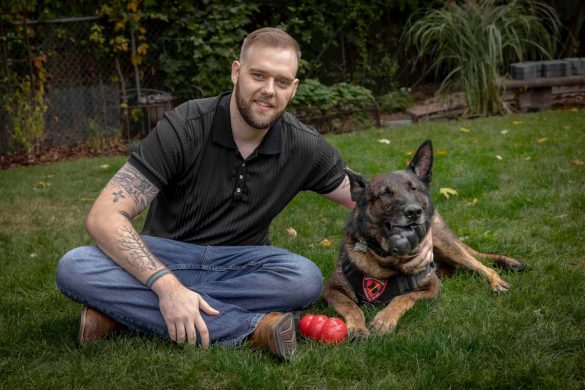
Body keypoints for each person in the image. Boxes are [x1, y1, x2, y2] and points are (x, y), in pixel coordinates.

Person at [56, 27, 433, 360]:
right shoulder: (185, 125)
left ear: (294, 88)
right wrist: (167, 287)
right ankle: (254, 328)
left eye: (282, 81)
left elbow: (374, 197)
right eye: (258, 75)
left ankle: (120, 314)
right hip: (167, 253)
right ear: (237, 72)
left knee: (303, 278)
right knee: (75, 266)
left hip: (243, 263)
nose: (268, 91)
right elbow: (103, 216)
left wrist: (424, 234)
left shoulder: (304, 147)